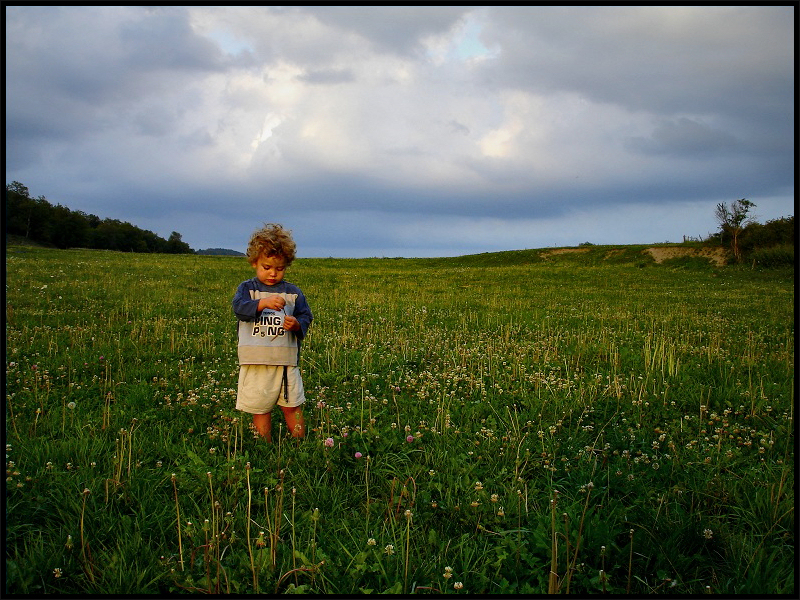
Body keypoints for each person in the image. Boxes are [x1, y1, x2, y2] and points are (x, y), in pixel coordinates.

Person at [232, 223, 313, 441]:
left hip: (286, 361)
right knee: (260, 409)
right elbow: (239, 309)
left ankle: (300, 445)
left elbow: (306, 315)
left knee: (292, 406)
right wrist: (262, 303)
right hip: (255, 361)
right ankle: (264, 446)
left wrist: (297, 324)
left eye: (279, 268)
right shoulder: (247, 289)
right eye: (266, 267)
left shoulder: (293, 293)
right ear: (254, 262)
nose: (272, 273)